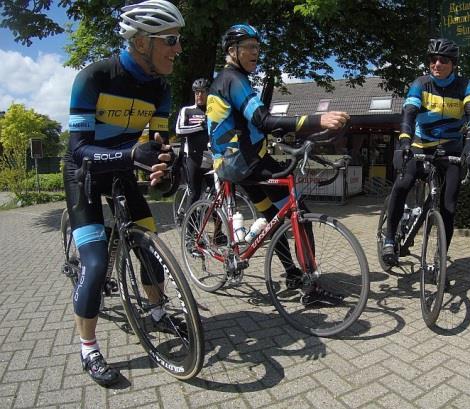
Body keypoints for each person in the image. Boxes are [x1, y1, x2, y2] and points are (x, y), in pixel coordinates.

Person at [62, 0, 185, 386]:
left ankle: (156, 312)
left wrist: (163, 166)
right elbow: (80, 148)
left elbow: (158, 143)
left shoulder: (161, 88)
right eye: (171, 40)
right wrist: (132, 153)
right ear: (141, 41)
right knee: (96, 264)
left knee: (148, 247)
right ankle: (88, 348)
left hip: (121, 170)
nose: (178, 49)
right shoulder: (95, 76)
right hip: (82, 172)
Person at [206, 23, 349, 304]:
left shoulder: (225, 79)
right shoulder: (234, 80)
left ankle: (292, 272)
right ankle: (311, 287)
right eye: (249, 47)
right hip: (246, 163)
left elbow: (255, 127)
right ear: (232, 50)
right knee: (298, 214)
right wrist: (315, 120)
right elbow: (262, 121)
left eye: (257, 48)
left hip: (239, 164)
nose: (255, 53)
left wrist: (292, 135)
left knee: (274, 216)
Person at [381, 38, 470, 265]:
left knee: (449, 206)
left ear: (453, 64)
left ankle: (441, 256)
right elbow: (409, 113)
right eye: (432, 60)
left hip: (451, 149)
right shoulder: (421, 83)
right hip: (421, 144)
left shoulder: (466, 85)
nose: (436, 64)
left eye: (443, 60)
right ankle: (389, 238)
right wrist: (405, 142)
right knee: (403, 184)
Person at [176, 77, 211, 207]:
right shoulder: (187, 110)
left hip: (211, 158)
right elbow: (179, 130)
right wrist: (201, 126)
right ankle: (189, 227)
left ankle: (218, 228)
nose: (199, 95)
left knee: (215, 194)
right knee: (194, 193)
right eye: (197, 92)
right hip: (192, 157)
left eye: (202, 92)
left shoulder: (213, 111)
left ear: (208, 93)